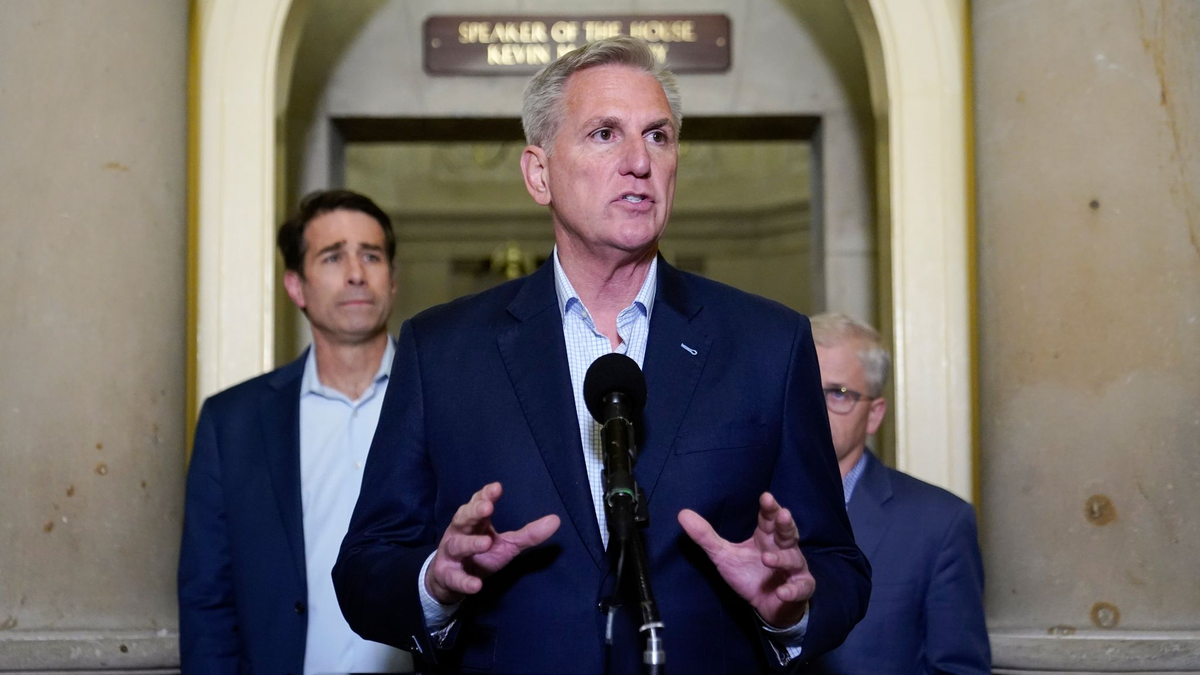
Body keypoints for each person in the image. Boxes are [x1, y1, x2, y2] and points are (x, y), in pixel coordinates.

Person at [333, 37, 869, 674]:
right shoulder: (443, 350)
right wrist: (435, 581)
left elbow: (838, 566)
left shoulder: (767, 343)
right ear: (539, 174)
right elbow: (366, 567)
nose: (639, 161)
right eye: (605, 134)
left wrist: (788, 606)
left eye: (659, 136)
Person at [178, 190, 411, 675]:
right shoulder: (233, 423)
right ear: (296, 286)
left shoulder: (445, 402)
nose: (355, 273)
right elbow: (209, 598)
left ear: (392, 281)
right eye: (332, 256)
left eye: (371, 255)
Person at [808, 312, 991, 674]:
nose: (813, 408)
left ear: (874, 415)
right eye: (802, 389)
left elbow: (958, 669)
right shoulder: (736, 506)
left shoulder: (938, 524)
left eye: (837, 394)